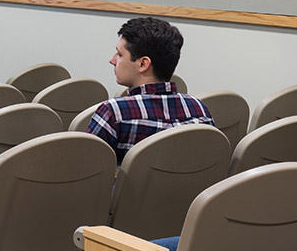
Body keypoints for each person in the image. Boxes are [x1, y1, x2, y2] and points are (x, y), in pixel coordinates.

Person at [87, 16, 214, 162]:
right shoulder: (200, 110)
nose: (112, 60)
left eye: (120, 55)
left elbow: (87, 171)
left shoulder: (114, 113)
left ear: (143, 64)